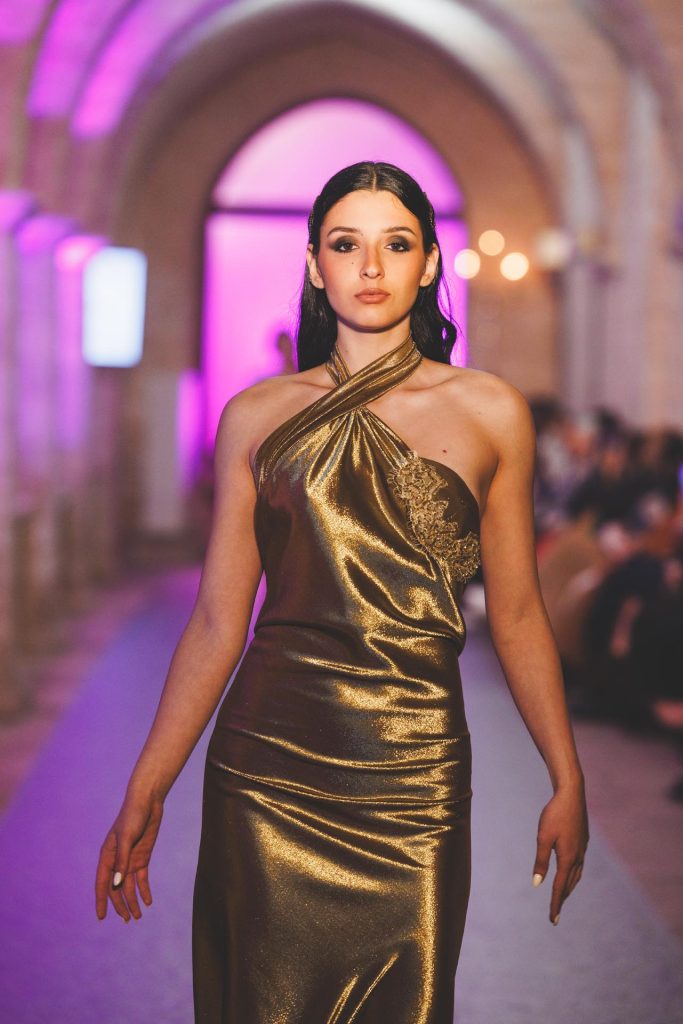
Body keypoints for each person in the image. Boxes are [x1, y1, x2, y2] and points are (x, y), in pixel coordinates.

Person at [95, 161, 589, 1023]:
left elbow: (515, 612)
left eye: (395, 244)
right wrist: (150, 778)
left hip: (417, 772)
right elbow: (217, 619)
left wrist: (565, 774)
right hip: (268, 768)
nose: (369, 267)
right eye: (345, 244)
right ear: (314, 264)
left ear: (428, 264)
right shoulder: (255, 415)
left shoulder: (490, 412)